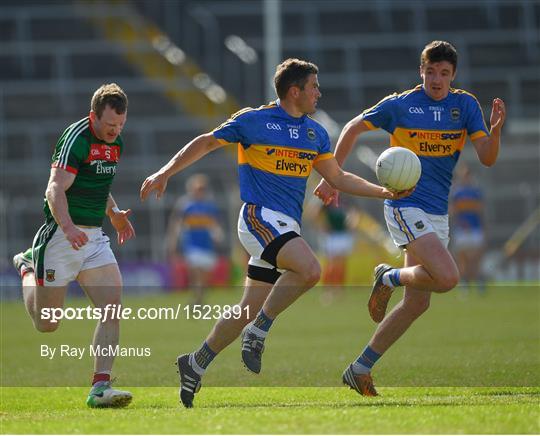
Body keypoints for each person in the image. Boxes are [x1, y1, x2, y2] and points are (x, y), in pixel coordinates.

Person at [140, 58, 412, 408]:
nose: (319, 92)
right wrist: (166, 171)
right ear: (294, 91)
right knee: (311, 270)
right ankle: (260, 330)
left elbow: (338, 178)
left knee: (245, 310)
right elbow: (206, 142)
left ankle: (195, 363)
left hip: (284, 227)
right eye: (313, 86)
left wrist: (385, 192)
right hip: (258, 217)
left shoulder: (316, 133)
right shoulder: (253, 120)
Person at [314, 40, 505, 397]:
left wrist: (495, 131)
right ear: (422, 71)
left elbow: (488, 158)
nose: (437, 79)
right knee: (448, 278)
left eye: (444, 73)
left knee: (418, 303)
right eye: (431, 71)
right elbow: (353, 127)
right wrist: (331, 176)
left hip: (436, 214)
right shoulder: (400, 105)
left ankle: (360, 368)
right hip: (404, 205)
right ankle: (388, 276)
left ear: (453, 76)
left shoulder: (464, 106)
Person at [12, 83, 136, 408]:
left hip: (93, 239)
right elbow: (55, 189)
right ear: (93, 115)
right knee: (47, 324)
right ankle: (27, 267)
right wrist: (67, 228)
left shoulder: (115, 143)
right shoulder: (77, 138)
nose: (115, 131)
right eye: (109, 125)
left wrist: (115, 215)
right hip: (62, 238)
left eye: (120, 125)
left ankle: (100, 388)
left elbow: (97, 184)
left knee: (112, 306)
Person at [166, 173, 224, 304]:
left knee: (205, 277)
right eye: (198, 188)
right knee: (196, 273)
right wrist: (173, 242)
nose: (200, 191)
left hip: (207, 246)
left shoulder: (210, 206)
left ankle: (199, 298)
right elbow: (176, 224)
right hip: (192, 245)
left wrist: (218, 234)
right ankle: (197, 300)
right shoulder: (185, 205)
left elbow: (215, 224)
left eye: (202, 188)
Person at [450, 164, 486, 293]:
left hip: (475, 229)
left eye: (467, 175)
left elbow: (480, 212)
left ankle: (480, 284)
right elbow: (453, 212)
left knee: (476, 259)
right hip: (462, 230)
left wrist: (483, 228)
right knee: (463, 259)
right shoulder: (457, 193)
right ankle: (464, 285)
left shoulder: (476, 192)